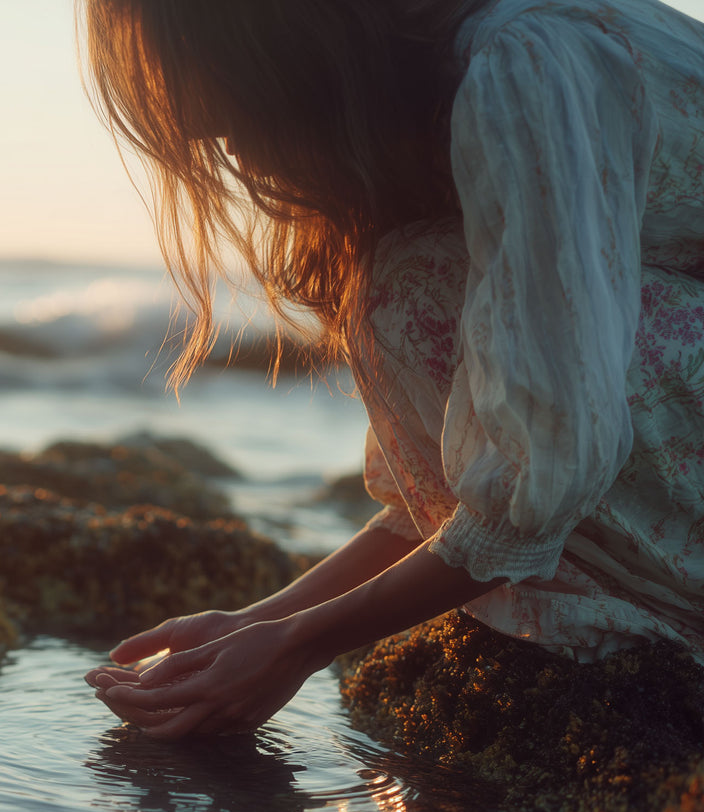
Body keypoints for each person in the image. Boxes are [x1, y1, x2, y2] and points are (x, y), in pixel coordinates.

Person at [80, 0, 704, 739]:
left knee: (406, 287)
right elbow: (441, 500)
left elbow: (542, 467)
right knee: (403, 283)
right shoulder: (469, 66)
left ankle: (658, 627)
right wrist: (258, 621)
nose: (243, 159)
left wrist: (298, 648)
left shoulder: (523, 61)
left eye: (232, 118)